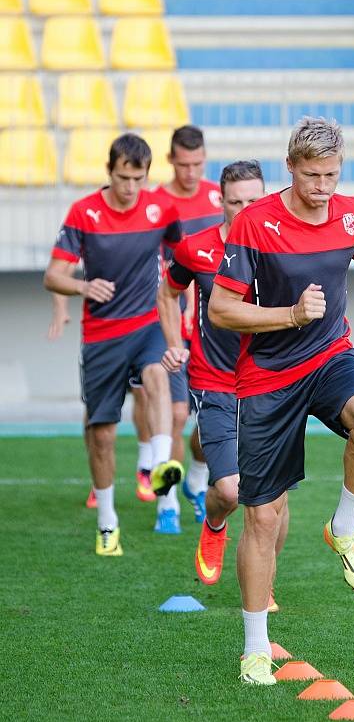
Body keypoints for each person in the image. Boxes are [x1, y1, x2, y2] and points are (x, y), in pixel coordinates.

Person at [208, 117, 354, 685]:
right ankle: (255, 645)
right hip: (268, 374)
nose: (323, 187)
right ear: (291, 169)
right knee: (264, 516)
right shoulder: (254, 222)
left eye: (332, 175)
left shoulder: (353, 211)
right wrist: (291, 315)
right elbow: (221, 311)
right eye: (312, 175)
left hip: (329, 356)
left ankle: (343, 528)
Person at [43, 133, 184, 556]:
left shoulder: (163, 210)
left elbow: (184, 260)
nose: (130, 188)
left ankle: (159, 466)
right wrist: (84, 286)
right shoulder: (83, 213)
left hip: (148, 323)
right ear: (110, 172)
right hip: (103, 335)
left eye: (138, 179)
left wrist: (188, 301)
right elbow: (52, 275)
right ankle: (107, 521)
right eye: (123, 178)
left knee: (158, 374)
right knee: (102, 434)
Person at [158, 161, 287, 611]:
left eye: (254, 200)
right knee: (232, 490)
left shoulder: (281, 246)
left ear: (267, 198)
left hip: (272, 381)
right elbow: (167, 291)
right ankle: (214, 523)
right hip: (214, 380)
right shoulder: (196, 249)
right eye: (236, 202)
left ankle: (264, 581)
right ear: (221, 201)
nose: (245, 209)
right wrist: (175, 342)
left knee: (275, 496)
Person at [150, 125, 224, 533]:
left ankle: (196, 479)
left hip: (215, 325)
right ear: (171, 160)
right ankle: (167, 502)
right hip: (174, 323)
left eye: (198, 163)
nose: (192, 172)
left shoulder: (220, 197)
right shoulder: (157, 204)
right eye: (184, 164)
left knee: (211, 420)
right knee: (175, 413)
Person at [47, 296, 157, 506]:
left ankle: (145, 469)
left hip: (140, 329)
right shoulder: (95, 262)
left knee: (143, 392)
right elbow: (60, 269)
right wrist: (60, 307)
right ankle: (98, 482)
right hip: (101, 336)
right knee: (95, 410)